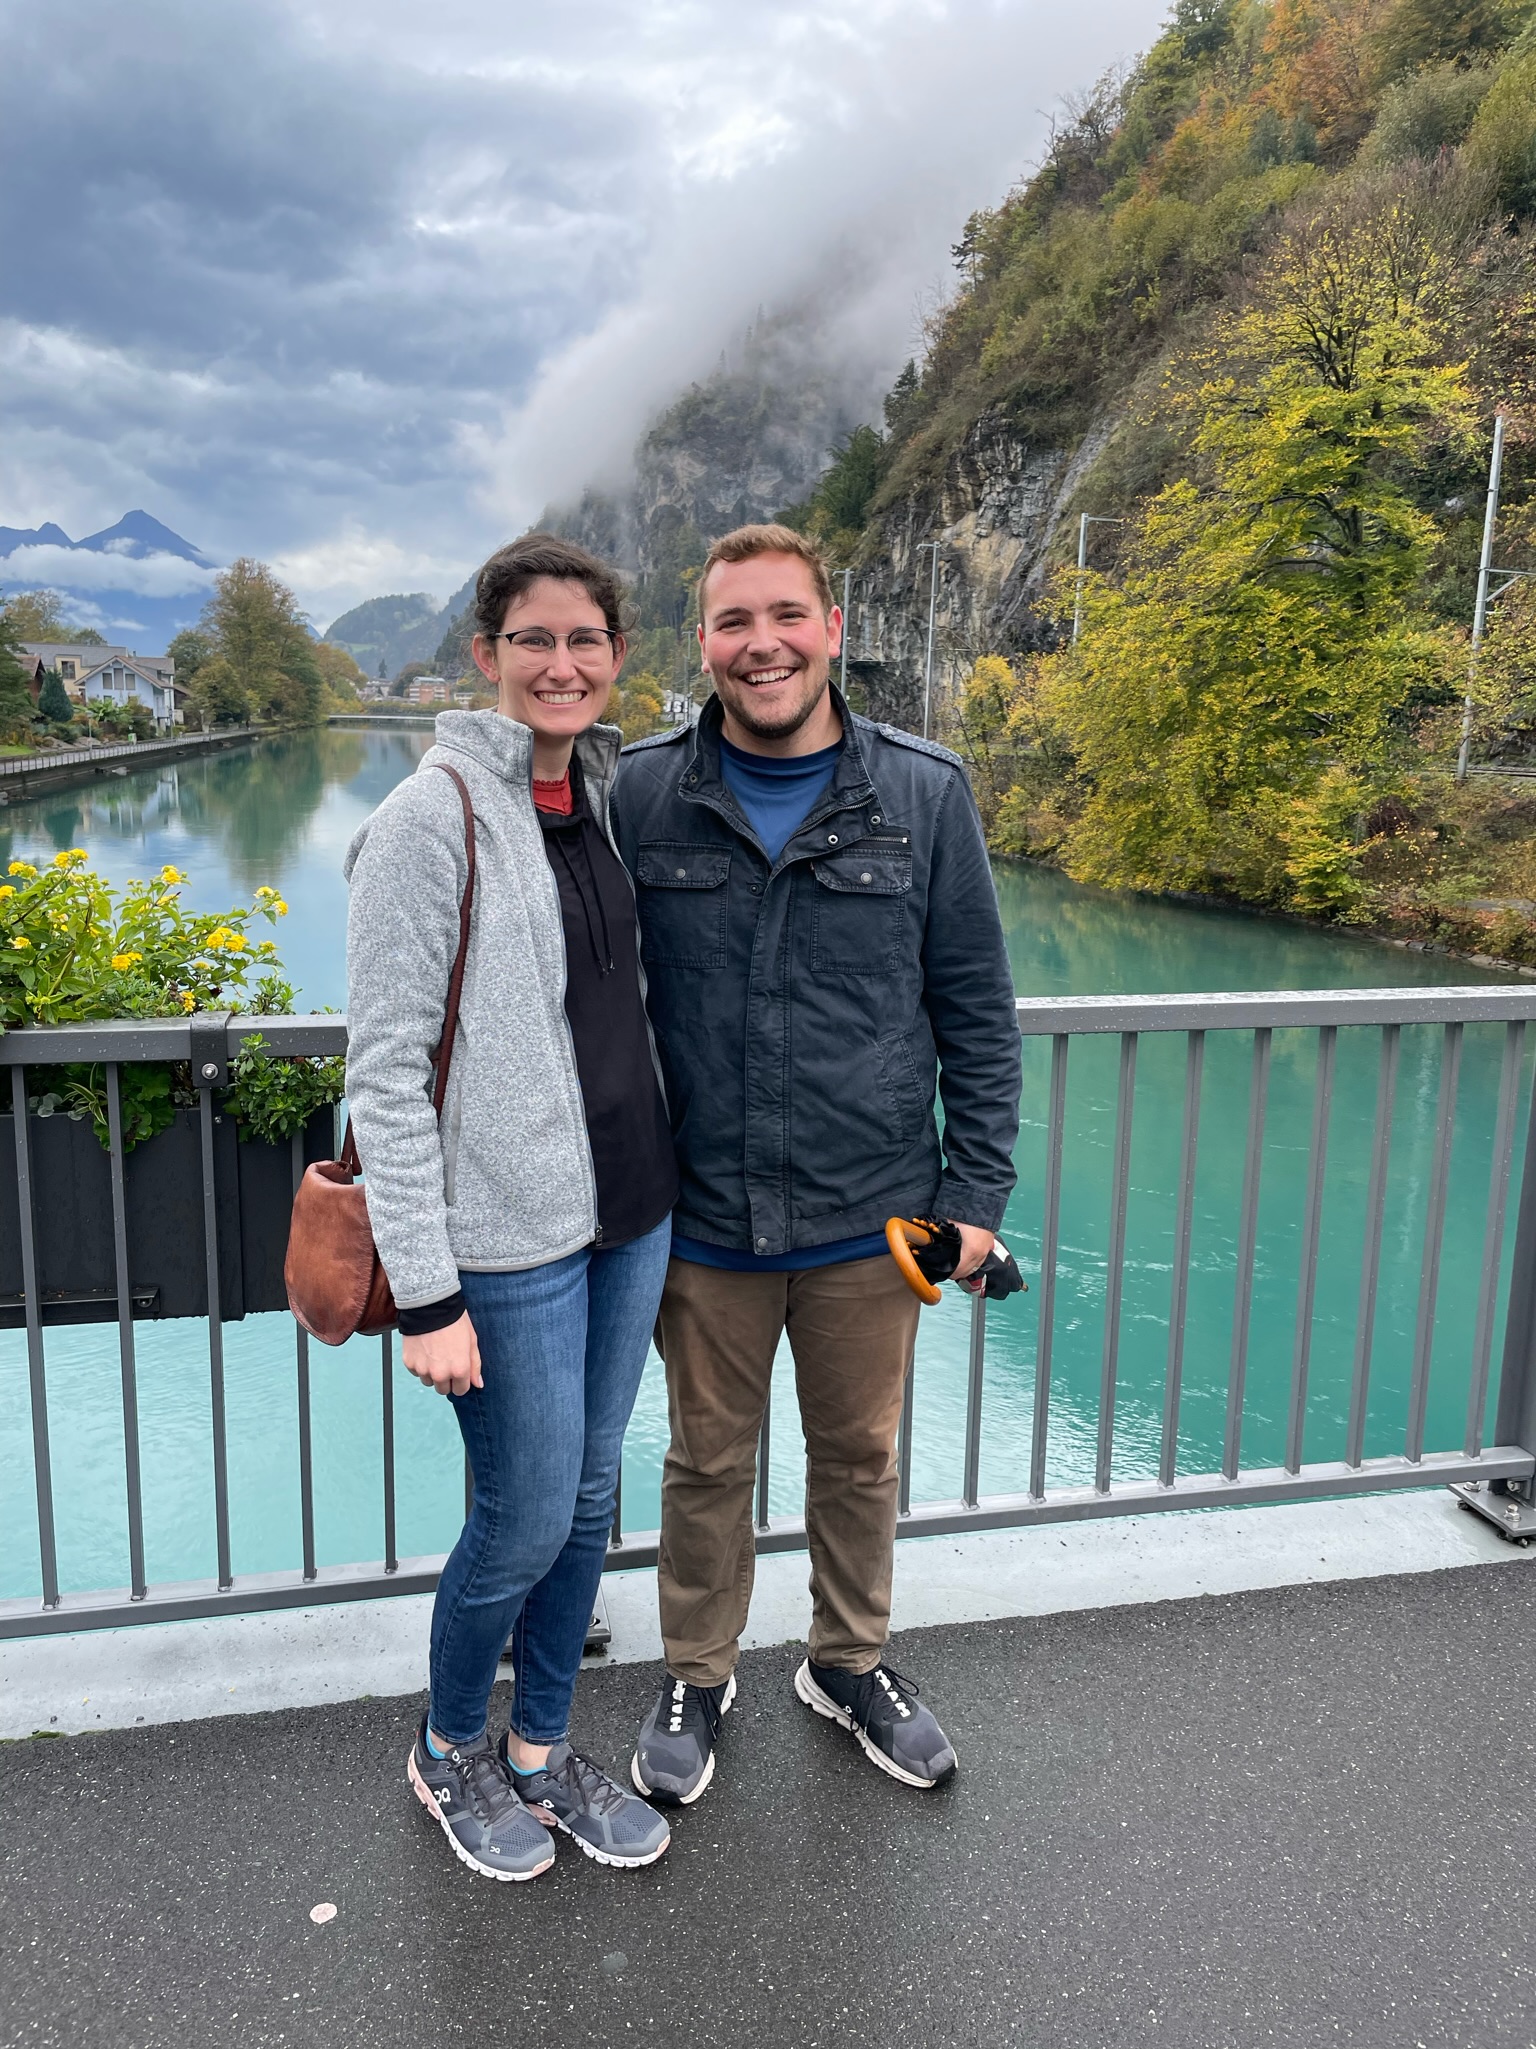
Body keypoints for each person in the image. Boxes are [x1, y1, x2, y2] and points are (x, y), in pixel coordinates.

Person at [614, 522, 1021, 1803]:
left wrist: (973, 1202)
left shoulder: (924, 793)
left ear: (832, 629)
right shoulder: (642, 794)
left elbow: (977, 1014)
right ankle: (699, 1671)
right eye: (735, 621)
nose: (764, 644)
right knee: (705, 1465)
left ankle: (848, 1662)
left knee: (859, 1459)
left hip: (872, 1214)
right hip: (703, 1215)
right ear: (703, 643)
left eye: (787, 615)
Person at [344, 534, 677, 1880]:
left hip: (631, 1214)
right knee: (524, 1516)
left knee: (588, 1501)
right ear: (486, 654)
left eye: (585, 639)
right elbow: (383, 1072)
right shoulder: (428, 820)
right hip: (506, 1243)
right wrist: (428, 1292)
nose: (561, 663)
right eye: (533, 639)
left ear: (616, 656)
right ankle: (445, 1752)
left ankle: (538, 1752)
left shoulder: (600, 794)